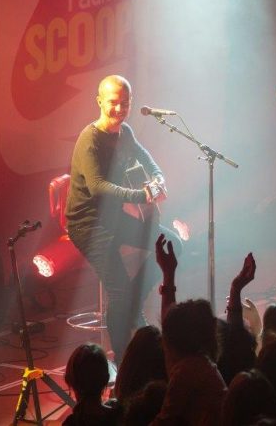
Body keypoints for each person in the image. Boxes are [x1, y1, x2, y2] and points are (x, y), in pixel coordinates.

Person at [65, 75, 183, 362]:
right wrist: (141, 195)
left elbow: (149, 161)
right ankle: (121, 360)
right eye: (114, 103)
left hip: (114, 218)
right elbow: (98, 188)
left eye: (125, 103)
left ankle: (135, 302)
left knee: (173, 245)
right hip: (88, 223)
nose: (119, 109)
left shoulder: (125, 133)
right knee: (118, 291)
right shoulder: (90, 139)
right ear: (100, 101)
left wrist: (158, 180)